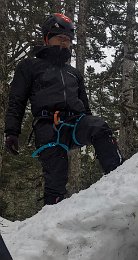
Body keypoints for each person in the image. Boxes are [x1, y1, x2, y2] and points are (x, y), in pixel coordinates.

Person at [4, 13, 123, 205]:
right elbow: (17, 100)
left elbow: (85, 107)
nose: (64, 44)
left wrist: (89, 125)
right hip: (48, 126)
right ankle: (52, 217)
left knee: (99, 126)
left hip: (75, 122)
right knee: (57, 176)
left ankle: (120, 179)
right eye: (60, 38)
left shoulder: (73, 73)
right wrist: (11, 132)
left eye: (68, 40)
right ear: (46, 39)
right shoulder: (30, 66)